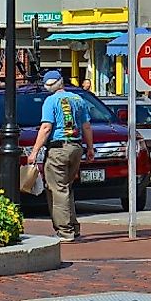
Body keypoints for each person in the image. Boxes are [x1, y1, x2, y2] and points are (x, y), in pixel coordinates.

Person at [25, 69, 92, 241]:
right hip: (76, 146)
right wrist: (90, 148)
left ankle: (65, 231)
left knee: (57, 190)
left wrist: (34, 151)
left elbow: (46, 128)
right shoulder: (78, 99)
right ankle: (73, 227)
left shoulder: (50, 101)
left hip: (58, 148)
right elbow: (86, 127)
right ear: (61, 82)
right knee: (67, 188)